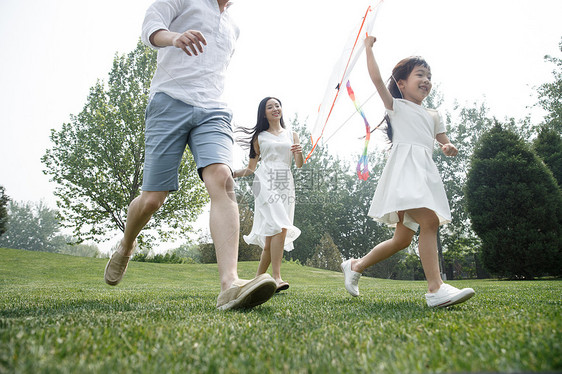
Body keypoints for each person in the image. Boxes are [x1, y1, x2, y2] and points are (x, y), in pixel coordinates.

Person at [104, 0, 278, 311]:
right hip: (169, 102)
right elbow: (150, 24)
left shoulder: (233, 27)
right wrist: (172, 37)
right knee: (153, 199)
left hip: (213, 110)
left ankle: (230, 285)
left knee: (223, 180)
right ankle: (126, 245)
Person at [341, 36, 475, 308]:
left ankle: (355, 265)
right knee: (430, 222)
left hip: (424, 175)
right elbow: (377, 80)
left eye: (429, 76)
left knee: (401, 240)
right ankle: (435, 289)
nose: (426, 80)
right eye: (419, 75)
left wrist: (448, 146)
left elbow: (442, 139)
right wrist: (368, 49)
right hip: (404, 174)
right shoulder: (396, 106)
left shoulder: (434, 114)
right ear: (402, 83)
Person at [234, 97, 303, 292]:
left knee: (272, 234)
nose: (275, 109)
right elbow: (250, 168)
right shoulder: (259, 137)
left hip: (285, 182)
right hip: (264, 181)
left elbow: (298, 164)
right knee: (280, 226)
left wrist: (299, 152)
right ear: (264, 113)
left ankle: (256, 281)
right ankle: (277, 277)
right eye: (270, 107)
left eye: (277, 105)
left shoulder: (292, 134)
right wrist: (232, 173)